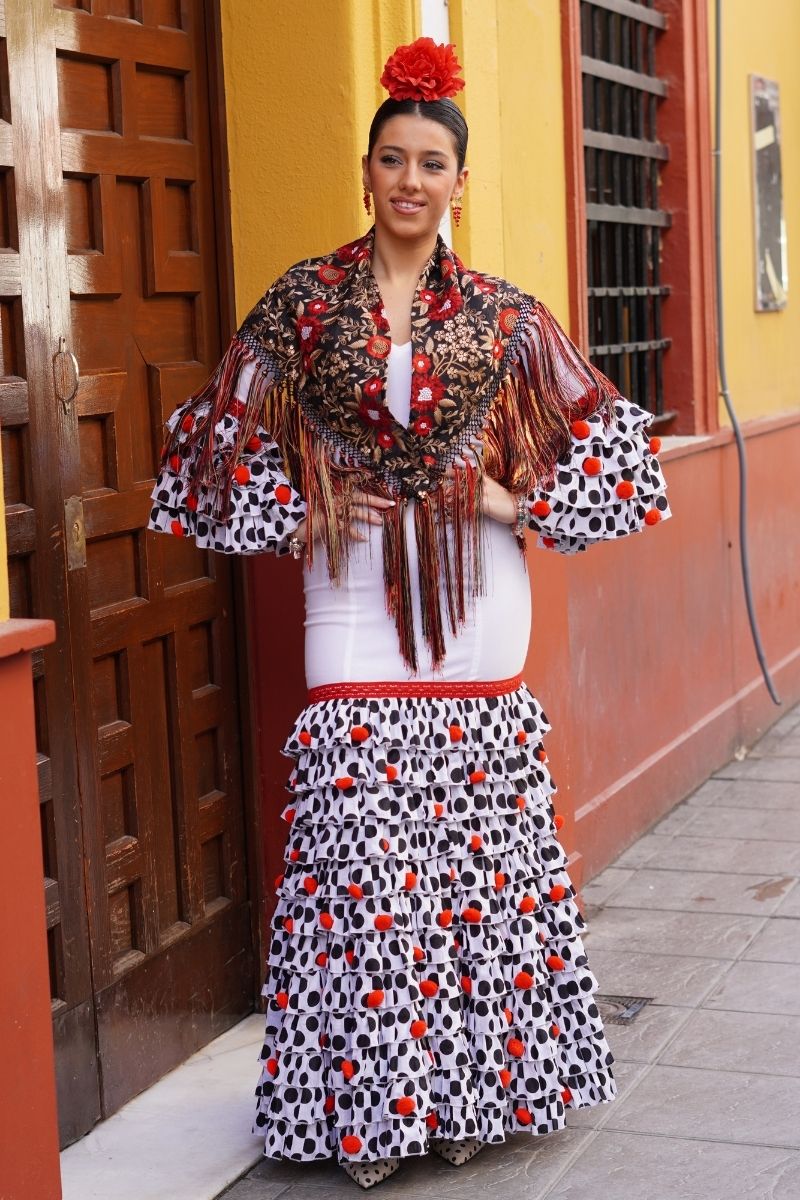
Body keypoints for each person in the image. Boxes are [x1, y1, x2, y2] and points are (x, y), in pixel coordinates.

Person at [147, 37, 671, 1191]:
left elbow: (623, 464)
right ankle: (368, 1104)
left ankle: (478, 1090)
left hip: (480, 593)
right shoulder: (299, 301)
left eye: (433, 162)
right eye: (392, 159)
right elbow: (212, 442)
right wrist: (301, 509)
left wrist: (490, 492)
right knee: (360, 839)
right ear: (367, 170)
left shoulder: (503, 313)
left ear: (457, 183)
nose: (410, 180)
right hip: (349, 601)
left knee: (474, 845)